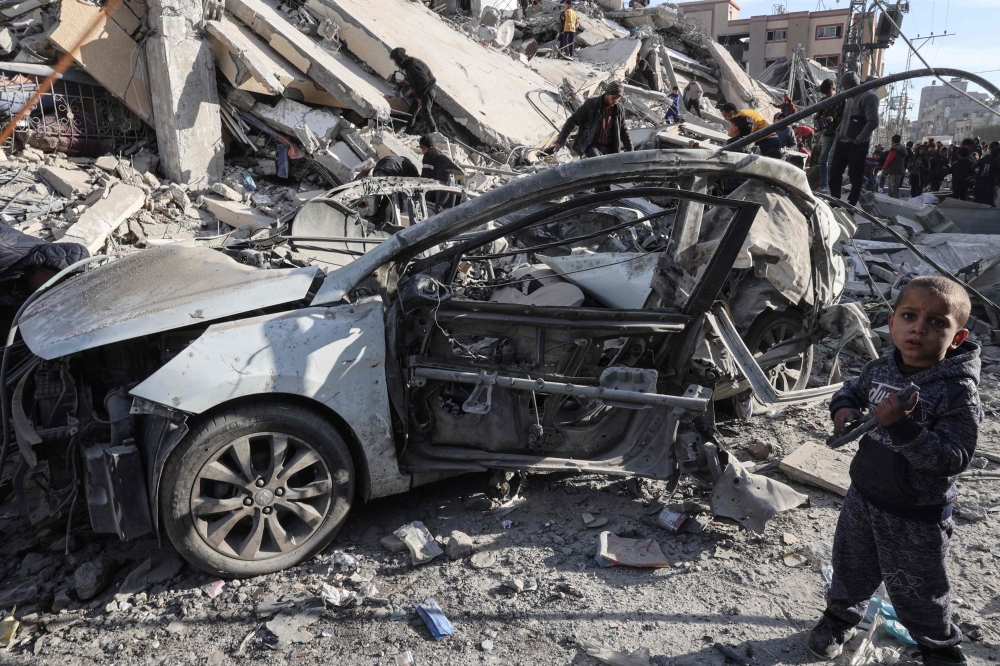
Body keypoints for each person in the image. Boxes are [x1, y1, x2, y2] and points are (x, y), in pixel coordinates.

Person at [808, 275, 980, 666]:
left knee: (917, 587)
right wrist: (844, 409)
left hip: (915, 514)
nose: (919, 327)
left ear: (957, 337)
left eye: (937, 322)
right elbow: (852, 387)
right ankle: (839, 617)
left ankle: (938, 647)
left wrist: (901, 426)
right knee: (850, 565)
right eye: (909, 316)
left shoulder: (956, 392)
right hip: (865, 495)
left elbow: (952, 458)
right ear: (890, 322)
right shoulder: (881, 368)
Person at [829, 71, 878, 206]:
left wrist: (858, 140)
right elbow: (846, 119)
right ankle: (835, 200)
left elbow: (873, 121)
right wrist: (838, 130)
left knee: (855, 175)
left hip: (857, 144)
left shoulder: (869, 96)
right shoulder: (850, 97)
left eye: (845, 88)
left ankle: (851, 204)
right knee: (835, 172)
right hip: (843, 141)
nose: (844, 90)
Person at [552, 81, 633, 158]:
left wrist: (631, 152)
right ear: (607, 94)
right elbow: (572, 121)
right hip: (591, 144)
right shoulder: (592, 104)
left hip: (609, 147)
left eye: (618, 98)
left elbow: (624, 132)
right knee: (597, 162)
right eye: (613, 98)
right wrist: (560, 140)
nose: (615, 101)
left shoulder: (619, 110)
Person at [390, 47, 437, 134]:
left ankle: (437, 135)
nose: (395, 63)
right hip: (420, 90)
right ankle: (408, 132)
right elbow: (417, 79)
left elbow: (425, 81)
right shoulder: (408, 65)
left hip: (427, 89)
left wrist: (419, 96)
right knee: (412, 112)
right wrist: (413, 88)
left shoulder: (413, 65)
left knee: (426, 112)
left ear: (399, 59)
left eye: (395, 60)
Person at [419, 135, 463, 209]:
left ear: (423, 147)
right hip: (459, 180)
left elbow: (425, 180)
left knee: (442, 210)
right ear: (435, 146)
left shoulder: (429, 155)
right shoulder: (440, 154)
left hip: (448, 182)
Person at [815, 78, 841, 192]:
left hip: (838, 133)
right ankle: (823, 185)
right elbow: (816, 117)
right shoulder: (822, 101)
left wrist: (834, 119)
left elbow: (844, 117)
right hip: (827, 132)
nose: (826, 96)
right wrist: (822, 120)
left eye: (828, 93)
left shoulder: (842, 99)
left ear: (834, 89)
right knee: (823, 159)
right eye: (825, 94)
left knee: (831, 159)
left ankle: (831, 185)